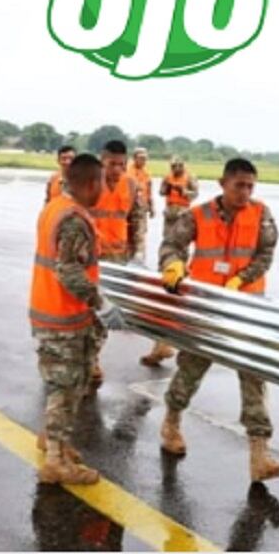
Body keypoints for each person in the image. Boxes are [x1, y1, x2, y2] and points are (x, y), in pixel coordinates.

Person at [157, 158, 279, 482]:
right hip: (206, 307)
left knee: (255, 375)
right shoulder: (198, 215)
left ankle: (260, 456)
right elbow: (171, 244)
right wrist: (172, 265)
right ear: (222, 183)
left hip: (246, 308)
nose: (245, 192)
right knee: (191, 368)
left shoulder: (262, 214)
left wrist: (241, 279)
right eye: (239, 185)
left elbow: (265, 255)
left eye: (250, 186)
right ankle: (171, 423)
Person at [30, 153, 119, 485]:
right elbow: (68, 270)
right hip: (63, 317)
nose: (103, 192)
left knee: (64, 385)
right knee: (66, 388)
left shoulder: (54, 207)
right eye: (102, 185)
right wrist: (101, 302)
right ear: (92, 182)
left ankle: (57, 442)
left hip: (49, 309)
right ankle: (55, 460)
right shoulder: (74, 219)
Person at [86, 139, 144, 391]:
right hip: (89, 257)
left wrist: (137, 252)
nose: (117, 169)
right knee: (85, 311)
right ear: (102, 161)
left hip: (117, 259)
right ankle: (86, 361)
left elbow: (136, 219)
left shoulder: (131, 185)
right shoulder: (89, 184)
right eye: (112, 164)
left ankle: (92, 359)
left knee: (103, 313)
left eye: (122, 164)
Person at [143, 155, 199, 367]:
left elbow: (194, 194)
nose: (176, 169)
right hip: (170, 217)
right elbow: (161, 192)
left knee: (171, 284)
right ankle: (161, 345)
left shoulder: (189, 178)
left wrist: (184, 192)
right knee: (169, 250)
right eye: (173, 166)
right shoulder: (168, 177)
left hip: (182, 217)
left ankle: (164, 344)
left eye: (178, 166)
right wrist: (167, 187)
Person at [128, 147, 155, 265]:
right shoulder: (128, 171)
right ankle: (128, 259)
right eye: (141, 158)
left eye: (145, 158)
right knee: (129, 236)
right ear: (134, 158)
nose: (143, 160)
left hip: (141, 209)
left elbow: (149, 190)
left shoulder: (146, 173)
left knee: (140, 236)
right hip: (129, 208)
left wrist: (151, 206)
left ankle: (140, 261)